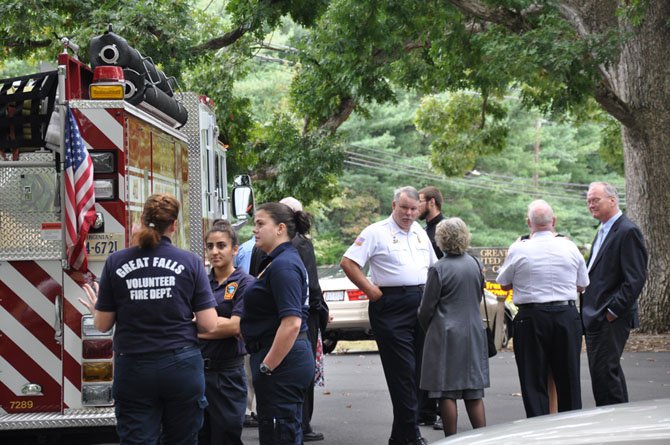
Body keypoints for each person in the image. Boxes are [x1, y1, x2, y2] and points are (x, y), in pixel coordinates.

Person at [78, 193, 218, 445]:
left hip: (134, 368)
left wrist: (99, 308)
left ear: (141, 220)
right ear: (173, 225)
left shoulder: (115, 262)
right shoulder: (191, 262)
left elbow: (102, 325)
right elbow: (209, 324)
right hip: (181, 367)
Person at [340, 186, 436, 445]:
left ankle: (400, 436)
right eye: (404, 207)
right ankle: (412, 435)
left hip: (419, 303)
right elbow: (348, 262)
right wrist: (370, 290)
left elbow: (434, 266)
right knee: (402, 373)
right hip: (391, 306)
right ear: (394, 205)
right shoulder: (375, 232)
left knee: (416, 374)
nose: (408, 213)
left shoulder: (418, 231)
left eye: (414, 208)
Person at [497, 199, 589, 417]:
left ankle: (539, 430)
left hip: (531, 317)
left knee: (533, 380)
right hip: (566, 315)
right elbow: (583, 284)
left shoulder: (519, 249)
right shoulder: (570, 247)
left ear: (529, 223)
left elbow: (503, 283)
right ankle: (571, 429)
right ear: (554, 221)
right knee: (569, 379)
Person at [240, 202, 315, 445]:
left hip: (282, 363)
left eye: (261, 224)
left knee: (281, 434)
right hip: (278, 359)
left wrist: (266, 366)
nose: (255, 230)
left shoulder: (284, 265)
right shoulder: (277, 261)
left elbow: (292, 323)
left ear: (280, 228)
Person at [418, 217, 489, 437]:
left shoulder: (439, 269)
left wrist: (427, 327)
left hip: (446, 334)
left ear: (441, 239)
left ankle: (451, 440)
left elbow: (426, 308)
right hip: (473, 332)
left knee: (446, 391)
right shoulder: (475, 264)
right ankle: (484, 439)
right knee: (473, 392)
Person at [582, 182, 648, 406]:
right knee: (607, 373)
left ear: (612, 200)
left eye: (595, 200)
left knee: (604, 374)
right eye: (588, 200)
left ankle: (611, 425)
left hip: (609, 316)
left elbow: (635, 278)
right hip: (594, 315)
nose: (591, 205)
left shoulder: (627, 231)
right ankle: (619, 420)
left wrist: (612, 310)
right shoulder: (602, 230)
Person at [198, 220, 255, 445]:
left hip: (227, 374)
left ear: (234, 249)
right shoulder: (200, 281)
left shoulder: (245, 283)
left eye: (221, 246)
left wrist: (197, 328)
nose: (214, 251)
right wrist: (217, 326)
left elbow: (236, 327)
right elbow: (183, 321)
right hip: (196, 373)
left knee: (226, 436)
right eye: (210, 246)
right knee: (199, 437)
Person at [279, 197, 329, 442]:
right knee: (304, 369)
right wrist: (320, 315)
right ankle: (304, 424)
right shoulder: (302, 244)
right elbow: (313, 284)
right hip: (304, 316)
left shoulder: (270, 246)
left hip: (278, 316)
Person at [417, 186, 445, 428]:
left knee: (434, 358)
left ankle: (436, 410)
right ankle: (425, 410)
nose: (416, 206)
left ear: (432, 202)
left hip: (438, 303)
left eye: (420, 201)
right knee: (423, 358)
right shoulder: (424, 230)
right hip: (426, 299)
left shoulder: (442, 230)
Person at [234, 236, 260, 428]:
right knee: (249, 369)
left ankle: (248, 408)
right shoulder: (254, 249)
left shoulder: (246, 248)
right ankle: (250, 409)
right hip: (251, 320)